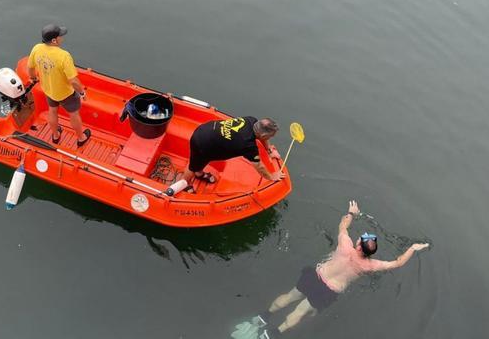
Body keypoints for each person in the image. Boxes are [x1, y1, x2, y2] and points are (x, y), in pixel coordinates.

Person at [252, 200, 431, 337]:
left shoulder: (345, 245)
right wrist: (413, 248)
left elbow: (343, 226)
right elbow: (398, 262)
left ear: (359, 246)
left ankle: (263, 316)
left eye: (361, 239)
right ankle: (273, 334)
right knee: (300, 311)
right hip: (328, 291)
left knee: (290, 296)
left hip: (316, 276)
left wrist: (351, 213)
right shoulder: (370, 265)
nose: (360, 238)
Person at [27, 24, 91, 147]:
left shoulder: (37, 48)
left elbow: (30, 68)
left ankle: (55, 135)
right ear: (54, 40)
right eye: (60, 36)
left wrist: (34, 78)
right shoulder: (63, 56)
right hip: (66, 93)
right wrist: (82, 92)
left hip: (49, 90)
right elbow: (73, 81)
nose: (62, 38)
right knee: (74, 114)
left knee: (52, 111)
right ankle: (81, 137)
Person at [183, 116, 281, 185]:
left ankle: (198, 173)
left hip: (206, 129)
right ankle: (185, 183)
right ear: (263, 135)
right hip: (202, 141)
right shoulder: (248, 145)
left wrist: (270, 151)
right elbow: (259, 167)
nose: (270, 138)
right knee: (193, 165)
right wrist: (272, 177)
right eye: (271, 136)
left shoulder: (252, 120)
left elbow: (262, 137)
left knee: (205, 157)